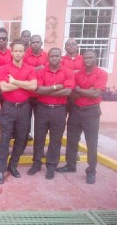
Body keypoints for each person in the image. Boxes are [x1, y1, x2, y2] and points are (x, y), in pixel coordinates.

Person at [56, 50, 108, 184]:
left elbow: (96, 93)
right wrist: (87, 91)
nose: (88, 60)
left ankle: (91, 171)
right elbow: (71, 94)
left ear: (96, 58)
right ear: (82, 59)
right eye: (85, 58)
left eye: (91, 57)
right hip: (76, 111)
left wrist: (79, 90)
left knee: (92, 143)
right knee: (72, 140)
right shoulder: (77, 74)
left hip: (91, 112)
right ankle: (70, 165)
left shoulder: (101, 74)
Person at [27, 48, 74, 180]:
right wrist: (56, 87)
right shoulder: (41, 71)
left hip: (59, 110)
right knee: (39, 138)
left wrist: (47, 91)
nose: (54, 58)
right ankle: (36, 164)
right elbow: (38, 90)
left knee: (55, 140)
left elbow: (68, 92)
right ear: (48, 58)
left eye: (57, 56)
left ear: (61, 57)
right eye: (52, 56)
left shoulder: (67, 72)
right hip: (42, 109)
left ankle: (51, 166)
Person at [0, 40, 37, 184]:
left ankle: (12, 165)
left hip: (24, 108)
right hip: (8, 107)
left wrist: (14, 82)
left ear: (24, 52)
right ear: (11, 52)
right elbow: (4, 88)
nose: (18, 53)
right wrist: (23, 84)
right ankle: (0, 170)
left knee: (22, 139)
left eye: (21, 51)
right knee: (5, 140)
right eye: (16, 51)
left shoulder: (30, 69)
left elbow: (33, 86)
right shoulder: (4, 68)